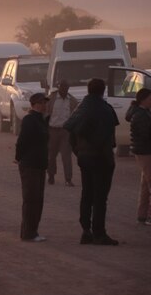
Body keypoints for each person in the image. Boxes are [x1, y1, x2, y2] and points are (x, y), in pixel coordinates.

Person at [64, 78, 119, 245]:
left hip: (85, 158)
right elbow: (110, 137)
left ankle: (86, 231)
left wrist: (79, 152)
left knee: (87, 194)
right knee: (100, 197)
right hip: (102, 159)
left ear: (89, 90)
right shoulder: (106, 109)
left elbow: (71, 132)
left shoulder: (81, 108)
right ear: (103, 90)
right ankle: (99, 233)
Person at [15, 93, 50, 242]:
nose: (45, 105)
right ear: (35, 104)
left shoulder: (41, 120)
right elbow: (22, 141)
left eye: (45, 102)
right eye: (42, 102)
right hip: (30, 164)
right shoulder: (29, 120)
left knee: (38, 199)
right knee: (31, 199)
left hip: (39, 164)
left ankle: (33, 231)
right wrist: (18, 158)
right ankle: (28, 232)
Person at [125, 88, 151, 226]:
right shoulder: (141, 115)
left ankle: (142, 215)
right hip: (145, 151)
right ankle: (150, 216)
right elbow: (145, 136)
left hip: (143, 151)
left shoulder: (142, 112)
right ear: (143, 100)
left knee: (146, 184)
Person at [47, 80, 78, 186]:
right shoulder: (51, 99)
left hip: (66, 131)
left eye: (66, 87)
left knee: (66, 156)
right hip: (52, 130)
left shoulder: (72, 101)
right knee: (51, 156)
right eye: (62, 87)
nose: (64, 89)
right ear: (58, 87)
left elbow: (75, 116)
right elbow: (46, 113)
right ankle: (51, 175)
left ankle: (68, 179)